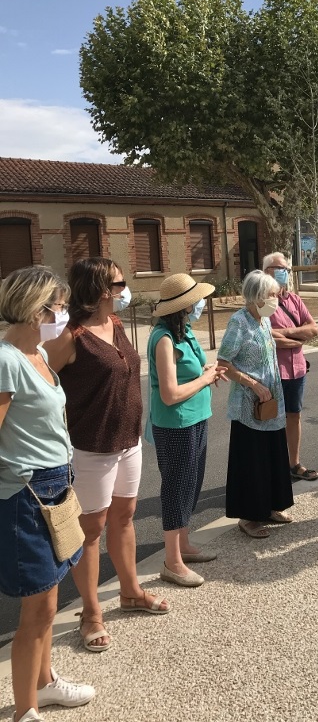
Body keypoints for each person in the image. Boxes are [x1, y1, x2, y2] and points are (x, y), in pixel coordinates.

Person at [45, 257, 170, 653]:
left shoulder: (115, 324)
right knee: (90, 530)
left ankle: (131, 591)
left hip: (127, 442)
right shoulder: (71, 336)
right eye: (120, 283)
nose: (125, 288)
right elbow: (40, 383)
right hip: (90, 447)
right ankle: (91, 613)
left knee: (125, 516)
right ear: (102, 289)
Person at [0, 266, 94, 722]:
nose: (62, 312)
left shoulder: (36, 352)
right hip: (26, 492)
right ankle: (26, 711)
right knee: (35, 608)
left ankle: (44, 683)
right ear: (36, 308)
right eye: (57, 305)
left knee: (50, 599)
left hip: (56, 484)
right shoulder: (5, 359)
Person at [148, 274, 226, 586]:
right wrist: (205, 380)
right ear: (183, 307)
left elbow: (187, 374)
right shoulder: (164, 338)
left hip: (194, 418)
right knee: (176, 487)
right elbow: (170, 394)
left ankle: (183, 544)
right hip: (176, 423)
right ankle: (172, 561)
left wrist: (206, 371)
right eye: (196, 302)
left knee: (191, 484)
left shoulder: (184, 332)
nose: (201, 305)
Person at [218, 270, 294, 539]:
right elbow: (224, 364)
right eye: (272, 294)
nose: (277, 298)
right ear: (257, 296)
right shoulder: (239, 322)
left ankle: (271, 506)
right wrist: (253, 384)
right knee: (251, 461)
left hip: (271, 403)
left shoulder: (263, 320)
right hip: (249, 405)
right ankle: (248, 517)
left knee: (272, 455)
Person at [263, 252, 318, 481]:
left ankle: (293, 463)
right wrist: (297, 337)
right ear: (266, 272)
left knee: (293, 415)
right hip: (272, 370)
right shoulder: (262, 301)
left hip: (297, 368)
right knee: (269, 418)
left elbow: (313, 329)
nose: (283, 271)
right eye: (278, 268)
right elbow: (264, 335)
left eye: (286, 268)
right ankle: (271, 465)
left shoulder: (294, 299)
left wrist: (285, 334)